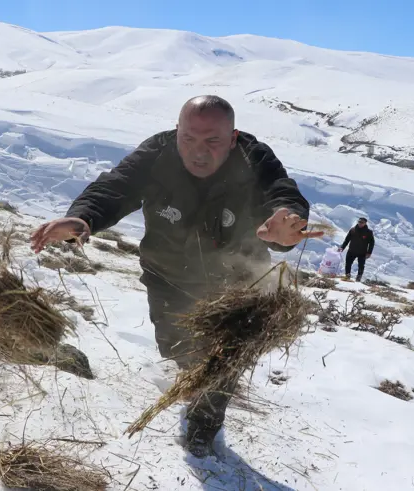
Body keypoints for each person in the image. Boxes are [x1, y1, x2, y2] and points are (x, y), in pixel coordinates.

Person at [30, 95, 321, 457]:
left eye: (212, 141)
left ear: (233, 138)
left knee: (222, 360)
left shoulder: (254, 158)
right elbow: (116, 186)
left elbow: (281, 193)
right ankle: (192, 383)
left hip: (235, 286)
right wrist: (84, 217)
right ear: (176, 131)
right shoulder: (158, 153)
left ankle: (203, 429)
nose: (199, 151)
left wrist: (286, 220)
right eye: (188, 138)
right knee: (179, 351)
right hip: (167, 276)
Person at [339, 217, 374, 281]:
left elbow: (371, 243)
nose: (360, 223)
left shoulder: (368, 232)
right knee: (348, 263)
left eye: (362, 222)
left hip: (362, 252)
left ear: (365, 223)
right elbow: (347, 240)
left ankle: (358, 277)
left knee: (361, 265)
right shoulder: (352, 230)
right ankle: (347, 275)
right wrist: (342, 247)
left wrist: (369, 252)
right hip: (351, 250)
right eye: (359, 222)